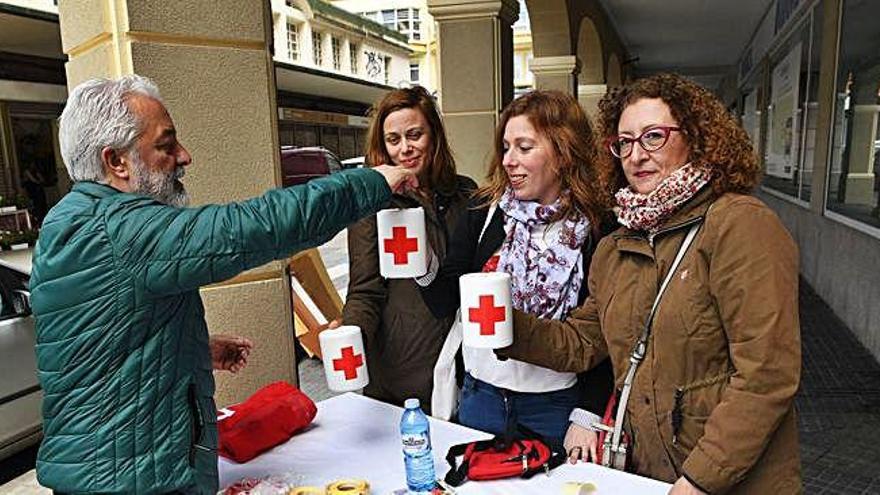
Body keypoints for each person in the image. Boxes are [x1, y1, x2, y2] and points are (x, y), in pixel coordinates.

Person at [30, 75, 416, 494]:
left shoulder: (69, 221)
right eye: (165, 145)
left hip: (104, 472)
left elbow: (99, 337)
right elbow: (249, 229)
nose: (184, 156)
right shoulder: (118, 228)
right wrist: (371, 182)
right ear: (116, 162)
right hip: (132, 483)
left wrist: (191, 347)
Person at [498, 74, 802, 494]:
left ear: (696, 138)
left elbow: (767, 374)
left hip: (732, 479)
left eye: (654, 137)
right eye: (624, 142)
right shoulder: (617, 244)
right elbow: (584, 340)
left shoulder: (739, 224)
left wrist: (699, 479)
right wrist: (503, 325)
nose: (636, 155)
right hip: (649, 472)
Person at [418, 90, 614, 447]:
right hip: (483, 398)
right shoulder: (484, 212)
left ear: (563, 151)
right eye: (506, 147)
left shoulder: (598, 230)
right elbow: (444, 301)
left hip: (557, 406)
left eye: (524, 148)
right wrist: (421, 263)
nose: (508, 160)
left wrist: (588, 414)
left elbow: (606, 330)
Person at [334, 86, 476, 413]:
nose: (405, 149)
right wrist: (351, 335)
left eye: (415, 135)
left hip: (462, 363)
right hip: (402, 373)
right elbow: (365, 291)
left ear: (435, 136)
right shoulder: (372, 204)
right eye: (393, 140)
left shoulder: (465, 193)